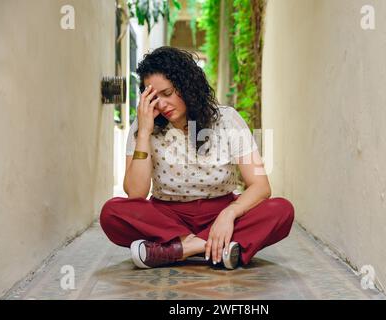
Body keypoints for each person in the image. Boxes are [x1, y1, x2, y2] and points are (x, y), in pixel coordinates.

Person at [100, 46, 294, 270]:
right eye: (154, 97)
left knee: (281, 210)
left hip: (220, 211)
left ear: (187, 86)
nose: (161, 105)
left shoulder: (227, 120)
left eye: (167, 93)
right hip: (166, 218)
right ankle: (212, 248)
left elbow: (260, 186)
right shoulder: (144, 125)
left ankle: (176, 249)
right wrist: (143, 133)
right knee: (112, 213)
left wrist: (228, 214)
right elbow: (136, 193)